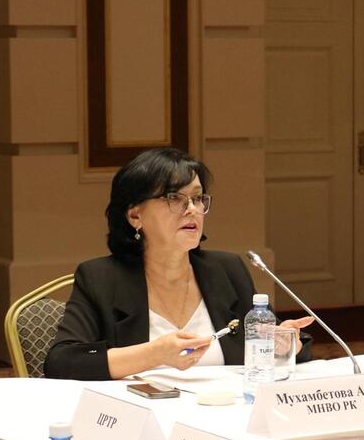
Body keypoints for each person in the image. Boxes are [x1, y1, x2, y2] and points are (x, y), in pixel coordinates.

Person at [44, 148, 314, 380]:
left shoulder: (226, 270)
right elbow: (62, 361)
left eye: (197, 198)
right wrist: (155, 353)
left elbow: (288, 345)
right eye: (174, 197)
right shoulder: (100, 278)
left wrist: (286, 343)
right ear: (135, 215)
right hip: (143, 418)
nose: (192, 209)